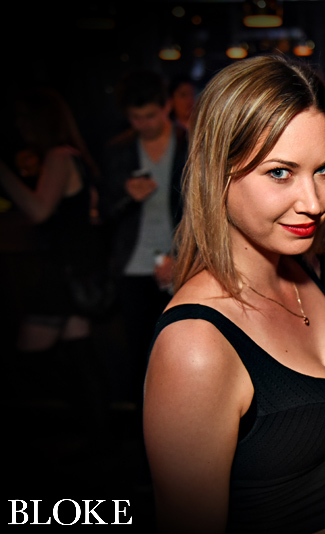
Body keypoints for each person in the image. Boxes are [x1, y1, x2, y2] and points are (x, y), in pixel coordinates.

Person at [143, 54, 325, 533]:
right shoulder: (195, 346)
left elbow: (290, 427)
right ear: (217, 173)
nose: (314, 203)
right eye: (280, 173)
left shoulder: (299, 264)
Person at [0, 87, 104, 408]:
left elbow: (39, 211)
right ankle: (97, 431)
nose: (19, 126)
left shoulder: (59, 156)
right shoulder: (72, 155)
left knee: (28, 357)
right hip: (77, 268)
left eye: (23, 119)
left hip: (64, 270)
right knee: (80, 356)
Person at [99, 69, 189, 408]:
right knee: (139, 354)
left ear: (167, 106)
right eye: (135, 117)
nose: (144, 124)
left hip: (183, 262)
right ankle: (143, 429)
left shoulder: (191, 143)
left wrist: (181, 254)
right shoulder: (118, 150)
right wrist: (127, 195)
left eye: (150, 115)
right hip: (134, 264)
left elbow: (204, 210)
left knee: (180, 353)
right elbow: (104, 211)